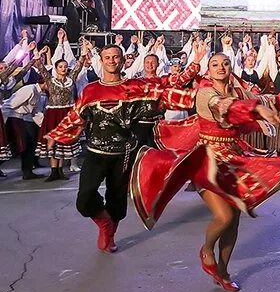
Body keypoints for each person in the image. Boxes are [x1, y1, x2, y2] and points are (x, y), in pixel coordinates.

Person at [130, 52, 280, 292]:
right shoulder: (205, 93)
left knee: (234, 220)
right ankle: (206, 249)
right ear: (208, 70)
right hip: (206, 161)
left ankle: (223, 271)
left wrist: (275, 103)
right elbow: (226, 108)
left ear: (231, 67)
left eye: (225, 63)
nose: (220, 68)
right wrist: (256, 109)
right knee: (225, 217)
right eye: (215, 64)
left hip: (234, 159)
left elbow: (260, 99)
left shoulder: (239, 91)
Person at [46, 41, 208, 253]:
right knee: (84, 198)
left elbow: (169, 85)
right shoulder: (91, 90)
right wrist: (55, 134)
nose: (112, 61)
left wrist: (196, 64)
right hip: (96, 153)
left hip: (123, 154)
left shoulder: (135, 87)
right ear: (101, 61)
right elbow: (75, 116)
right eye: (108, 57)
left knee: (116, 197)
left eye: (116, 57)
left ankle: (110, 231)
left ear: (122, 60)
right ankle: (104, 222)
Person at [37, 56, 88, 181]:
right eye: (60, 66)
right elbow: (41, 68)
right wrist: (36, 54)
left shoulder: (71, 79)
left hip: (67, 113)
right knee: (53, 142)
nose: (64, 68)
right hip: (54, 114)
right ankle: (54, 171)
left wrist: (83, 54)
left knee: (63, 142)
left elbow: (78, 66)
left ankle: (59, 171)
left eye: (65, 66)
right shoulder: (50, 80)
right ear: (56, 68)